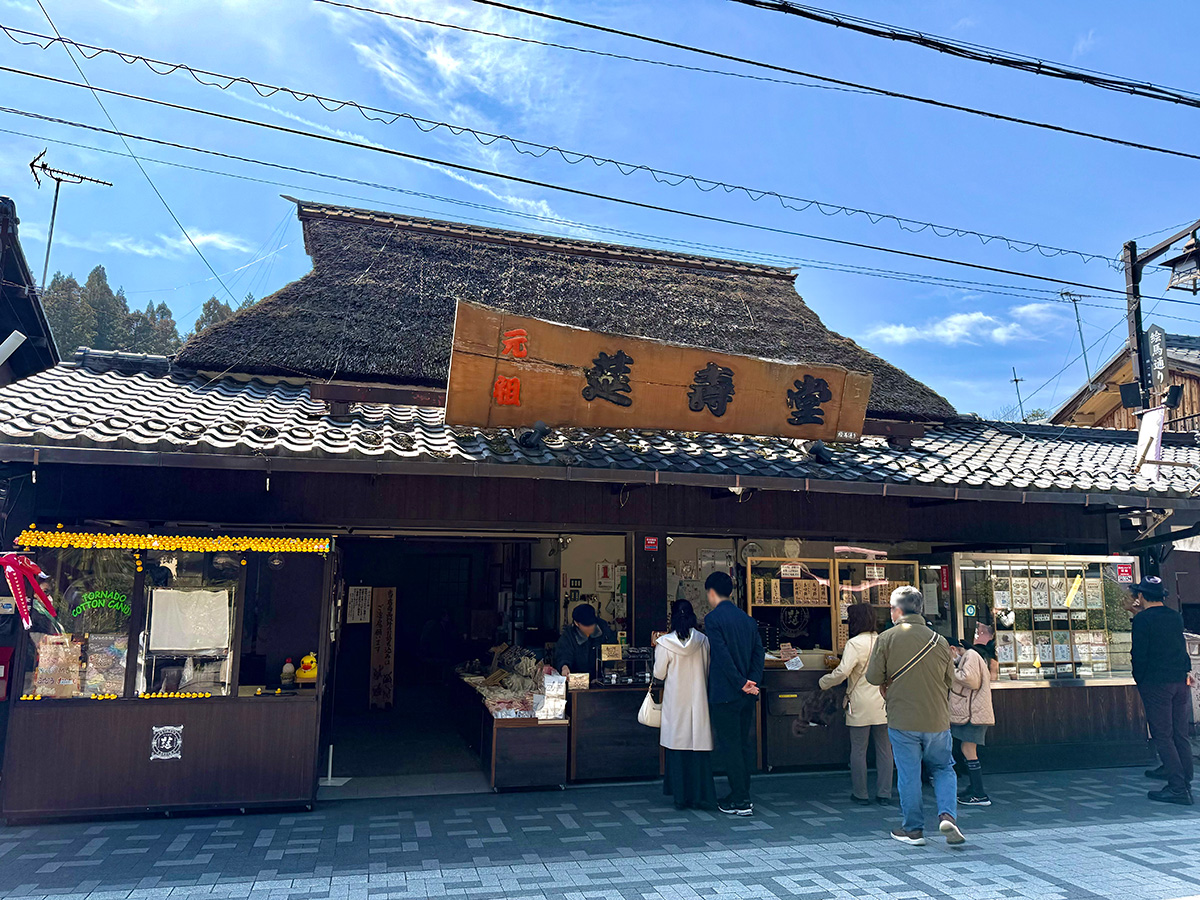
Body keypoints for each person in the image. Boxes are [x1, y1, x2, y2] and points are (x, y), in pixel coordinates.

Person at [866, 585, 964, 847]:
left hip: (902, 719)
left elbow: (873, 677)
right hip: (937, 719)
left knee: (909, 774)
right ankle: (947, 816)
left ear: (897, 610)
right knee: (943, 768)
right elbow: (950, 680)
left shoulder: (887, 638)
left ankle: (913, 829)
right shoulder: (939, 640)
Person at [1127, 577, 1194, 805]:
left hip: (1156, 683)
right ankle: (1185, 780)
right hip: (1178, 680)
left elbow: (1139, 654)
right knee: (1180, 734)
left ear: (1141, 596)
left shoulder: (1143, 620)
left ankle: (1177, 788)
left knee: (1162, 735)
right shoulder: (1175, 617)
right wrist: (1186, 671)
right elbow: (1180, 648)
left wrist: (1141, 680)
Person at [703, 570, 765, 817]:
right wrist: (752, 681)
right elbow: (758, 653)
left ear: (711, 592)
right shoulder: (747, 620)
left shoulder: (712, 619)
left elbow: (721, 655)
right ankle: (742, 793)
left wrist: (740, 682)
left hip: (726, 693)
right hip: (747, 694)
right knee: (743, 744)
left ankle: (740, 799)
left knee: (730, 746)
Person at [819, 603, 893, 806]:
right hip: (883, 702)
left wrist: (824, 682)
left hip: (860, 703)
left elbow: (843, 672)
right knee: (885, 750)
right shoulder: (884, 641)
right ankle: (884, 793)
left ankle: (861, 794)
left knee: (859, 749)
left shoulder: (854, 644)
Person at [655, 599, 717, 810]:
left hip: (676, 702)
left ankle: (680, 797)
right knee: (698, 748)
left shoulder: (665, 643)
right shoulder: (703, 641)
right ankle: (701, 795)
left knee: (677, 747)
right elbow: (708, 670)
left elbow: (659, 673)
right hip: (699, 701)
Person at [950, 621, 998, 807]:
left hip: (974, 713)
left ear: (953, 649)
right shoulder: (971, 656)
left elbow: (970, 680)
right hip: (974, 712)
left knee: (968, 750)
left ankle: (979, 793)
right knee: (966, 749)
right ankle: (974, 788)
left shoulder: (970, 655)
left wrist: (951, 669)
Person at [554, 603, 615, 679]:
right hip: (578, 679)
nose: (591, 627)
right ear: (576, 623)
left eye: (592, 624)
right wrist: (564, 666)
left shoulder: (604, 629)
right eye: (586, 625)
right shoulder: (568, 636)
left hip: (601, 678)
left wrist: (608, 667)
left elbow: (613, 647)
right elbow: (563, 654)